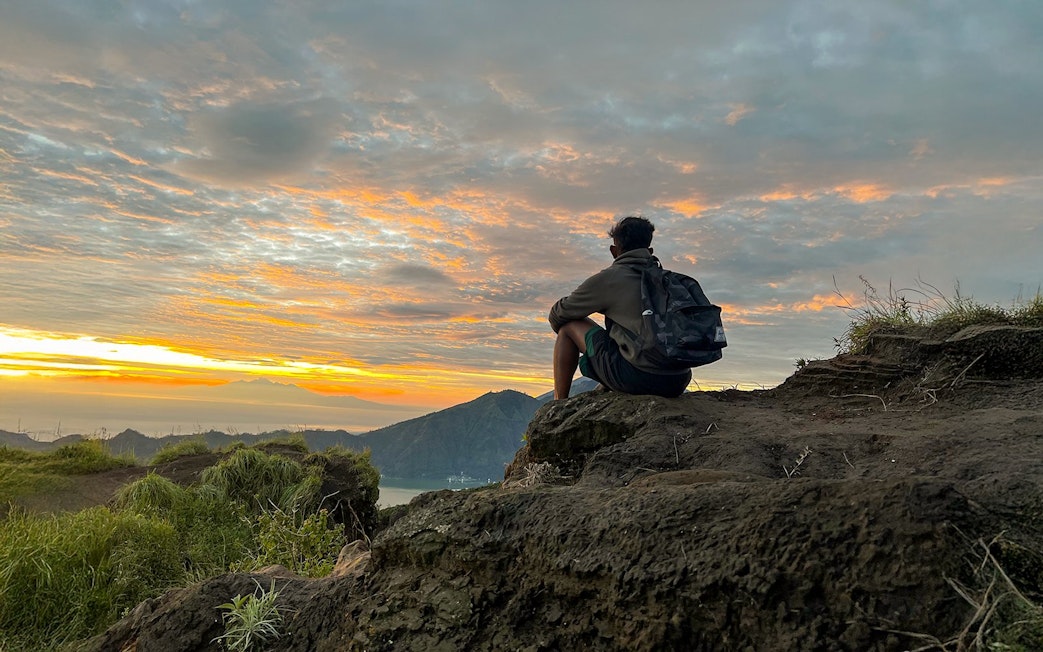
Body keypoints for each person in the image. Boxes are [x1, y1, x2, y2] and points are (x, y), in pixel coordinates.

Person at [548, 216, 693, 400]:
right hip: (678, 381)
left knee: (568, 326)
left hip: (638, 378)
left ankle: (558, 403)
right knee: (625, 329)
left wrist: (598, 305)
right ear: (649, 250)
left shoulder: (610, 279)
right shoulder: (668, 280)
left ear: (614, 250)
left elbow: (558, 316)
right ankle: (608, 380)